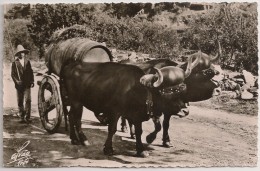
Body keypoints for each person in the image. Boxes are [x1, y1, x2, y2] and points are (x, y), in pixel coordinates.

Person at [11, 45, 34, 123]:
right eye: (21, 53)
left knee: (28, 100)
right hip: (19, 85)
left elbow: (31, 72)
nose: (22, 54)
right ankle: (22, 117)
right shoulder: (15, 63)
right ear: (18, 54)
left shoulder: (27, 62)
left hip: (27, 84)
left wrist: (32, 81)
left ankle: (28, 117)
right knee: (20, 101)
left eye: (23, 52)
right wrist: (17, 81)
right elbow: (13, 74)